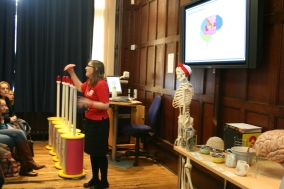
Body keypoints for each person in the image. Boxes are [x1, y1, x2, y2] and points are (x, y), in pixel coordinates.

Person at [65, 60, 110, 189]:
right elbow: (80, 87)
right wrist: (71, 72)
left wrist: (88, 103)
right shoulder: (90, 82)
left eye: (88, 66)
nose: (85, 68)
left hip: (100, 123)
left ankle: (104, 181)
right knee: (92, 152)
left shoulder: (101, 84)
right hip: (90, 121)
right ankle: (95, 178)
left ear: (95, 69)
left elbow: (106, 105)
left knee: (100, 153)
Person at [0, 99, 45, 176]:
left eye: (5, 105)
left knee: (18, 136)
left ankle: (27, 166)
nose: (5, 107)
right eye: (2, 106)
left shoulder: (1, 115)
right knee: (18, 134)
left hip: (2, 132)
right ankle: (28, 165)